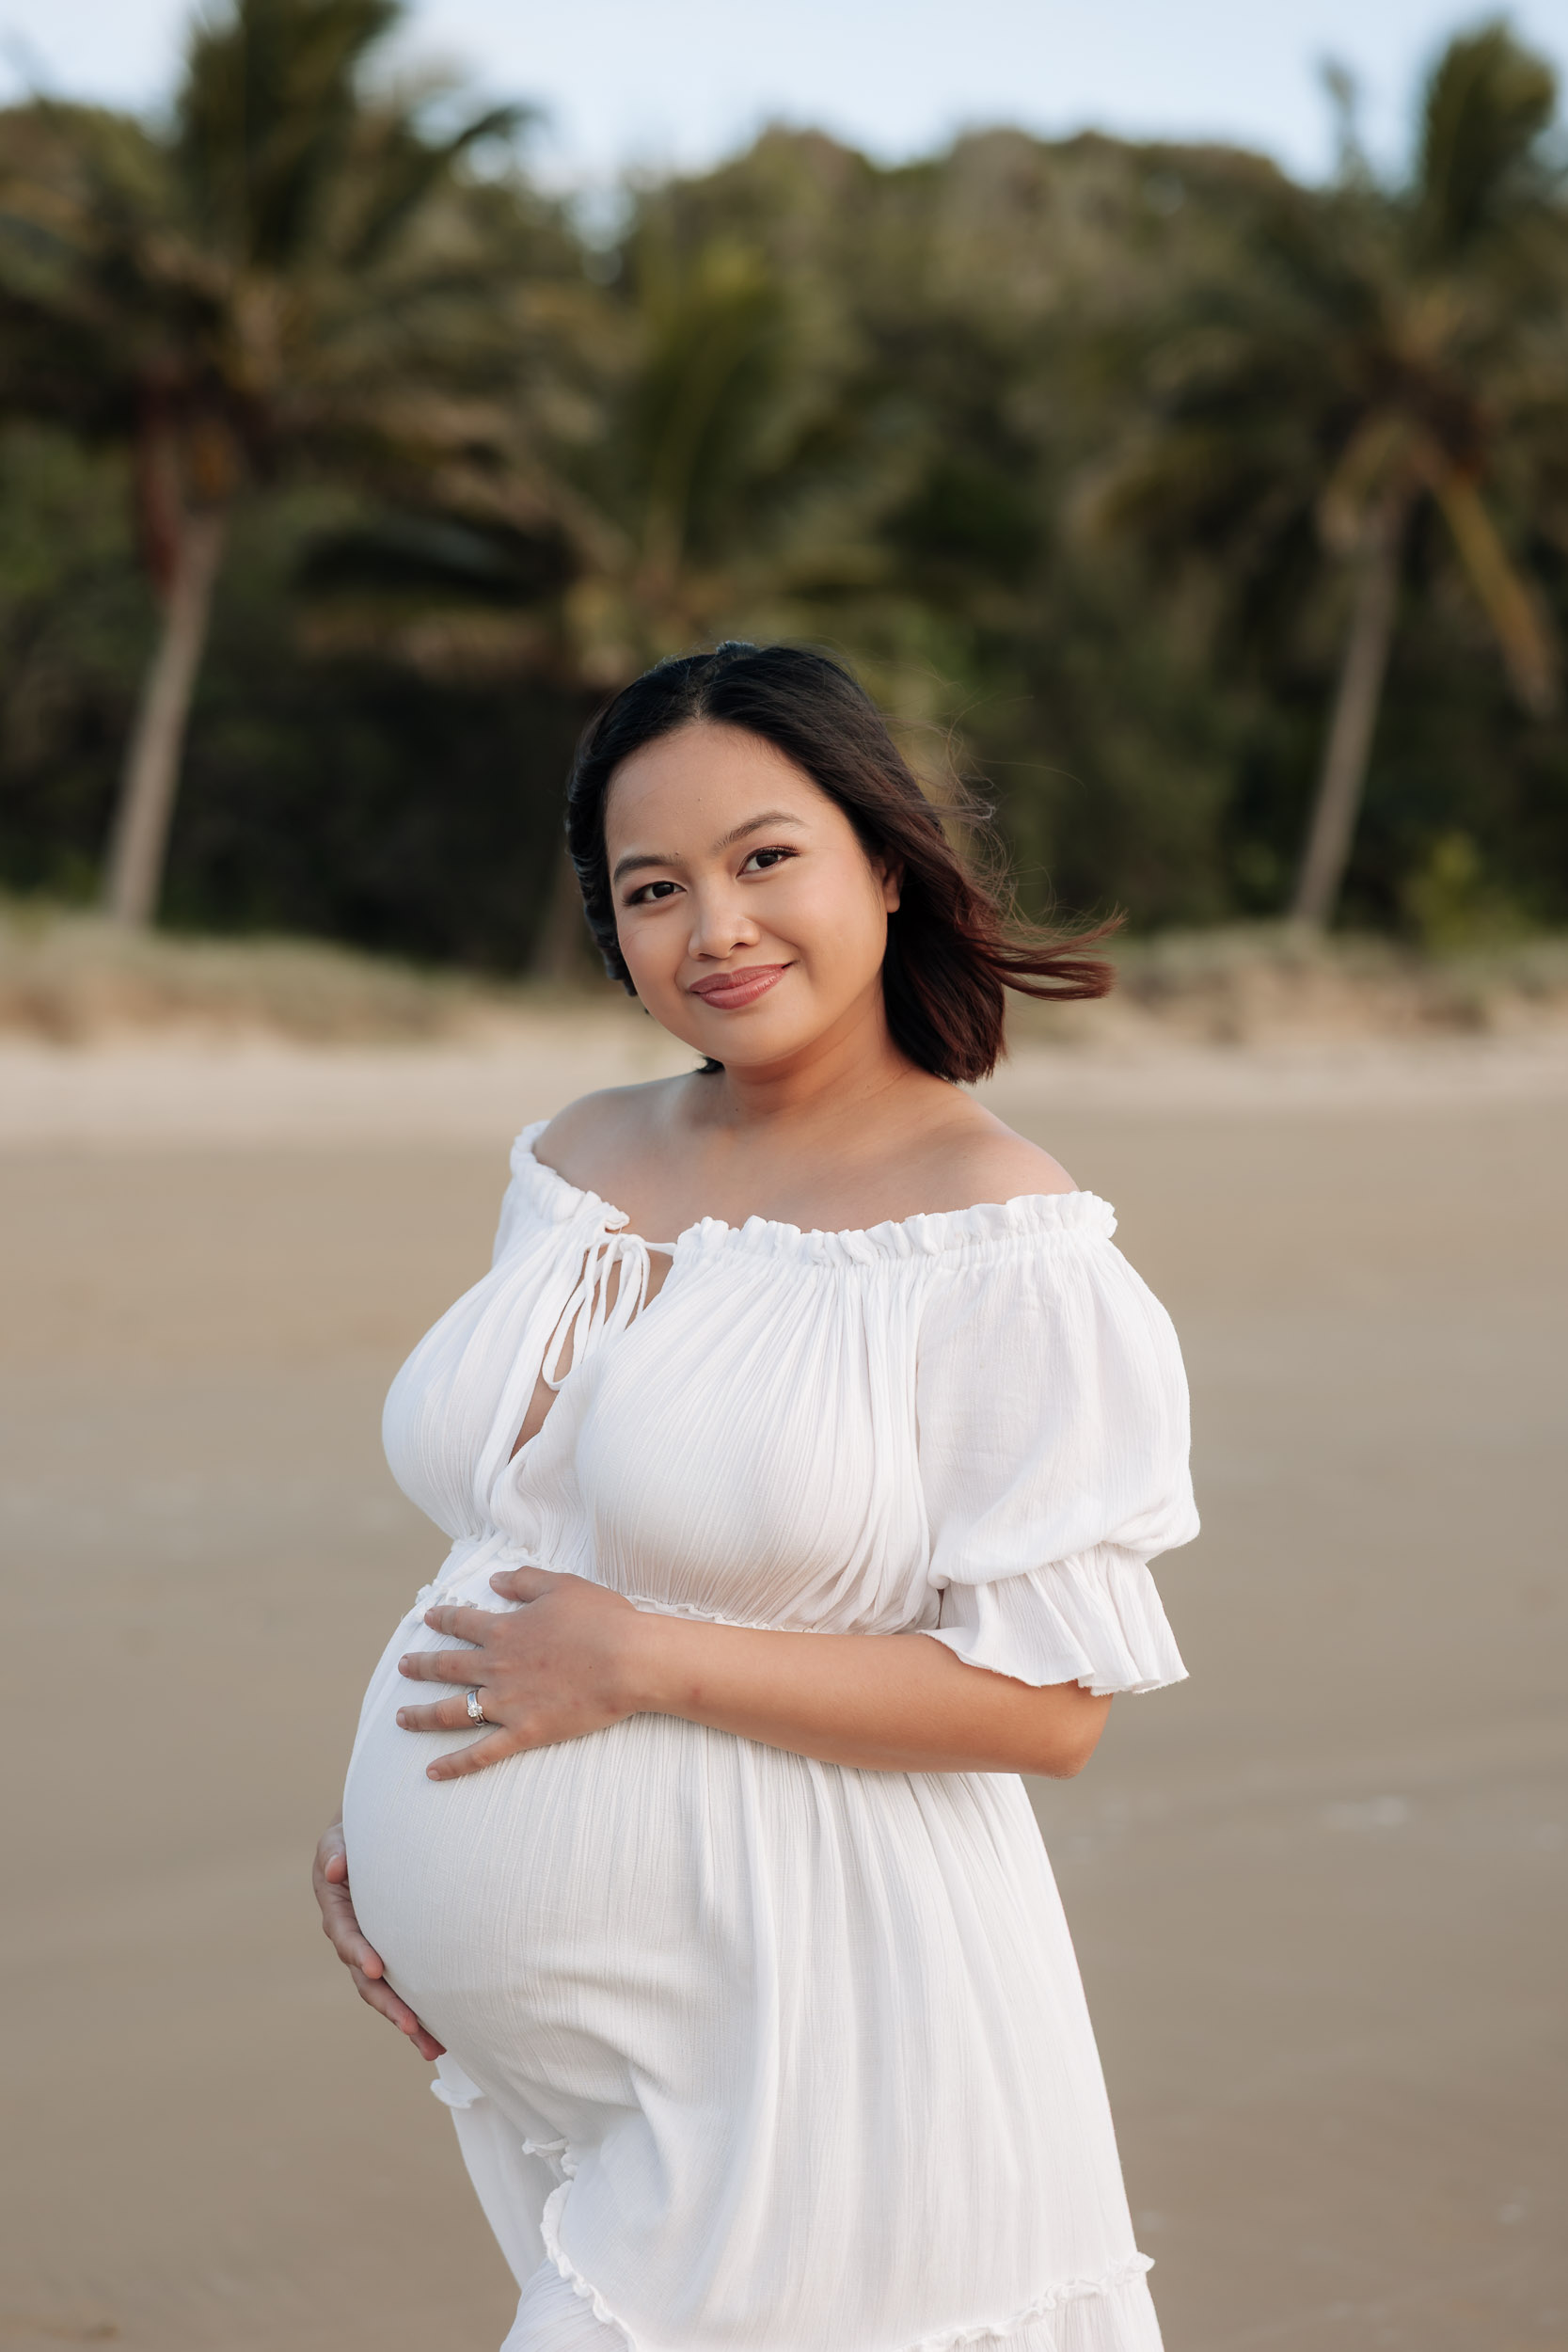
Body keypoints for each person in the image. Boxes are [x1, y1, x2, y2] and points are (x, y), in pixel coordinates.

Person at [312, 643, 1197, 2352]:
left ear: (881, 857)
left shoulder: (997, 1233)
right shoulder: (572, 1158)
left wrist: (647, 1666)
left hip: (828, 2028)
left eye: (764, 859)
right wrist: (386, 1845)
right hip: (607, 2072)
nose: (715, 927)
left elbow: (1054, 1706)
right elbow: (525, 1534)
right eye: (655, 889)